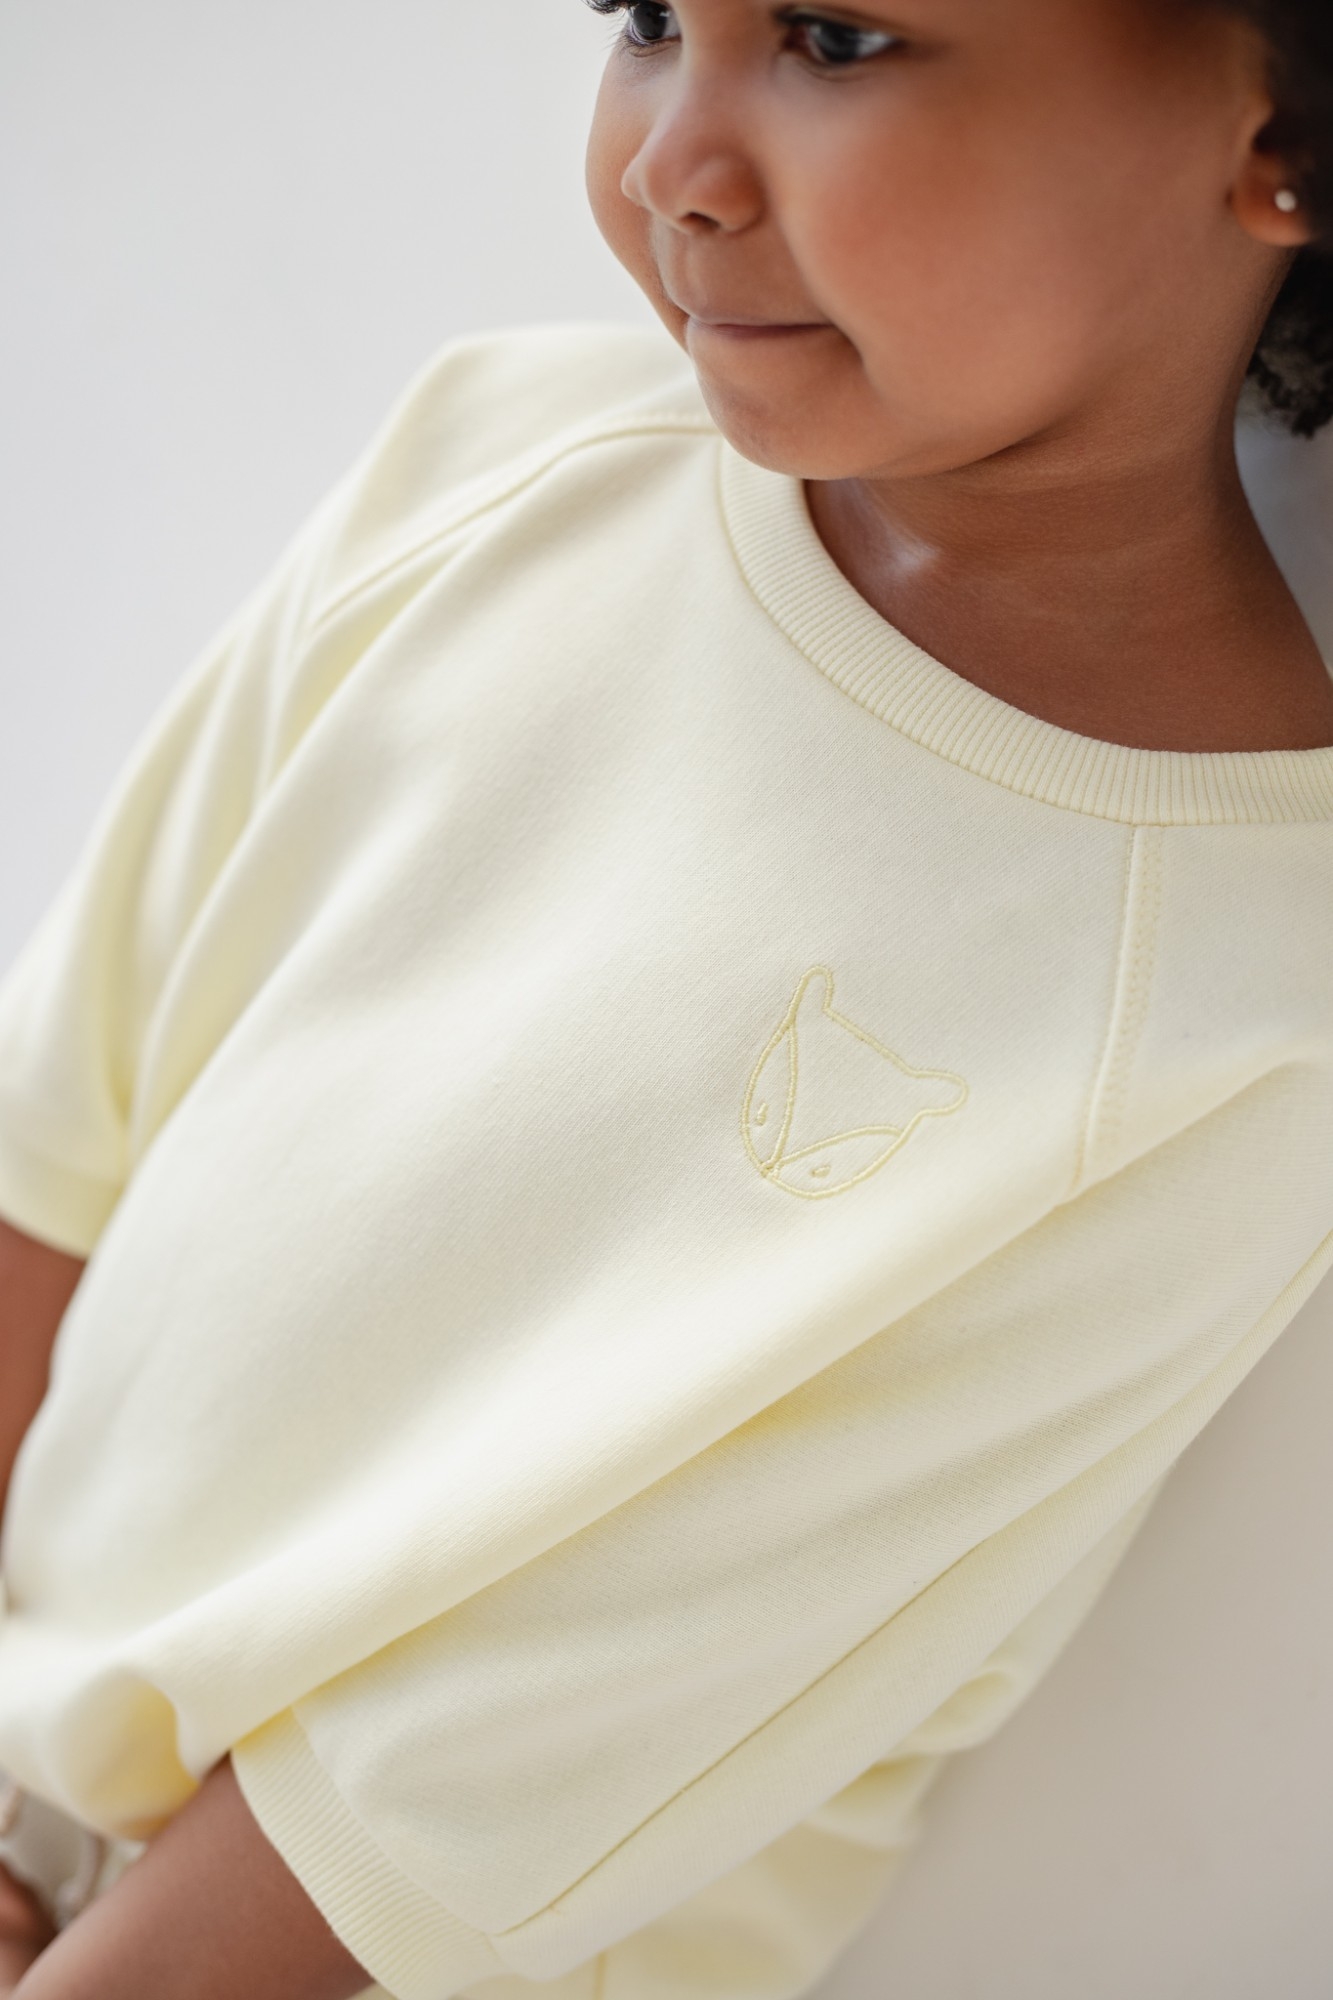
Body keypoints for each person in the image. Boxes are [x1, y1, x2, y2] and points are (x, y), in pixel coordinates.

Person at [1, 0, 1331, 1994]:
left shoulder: (1230, 1010)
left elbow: (488, 1788)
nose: (666, 168)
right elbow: (54, 1148)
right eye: (644, 19)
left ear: (1282, 131)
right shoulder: (500, 461)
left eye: (835, 39)